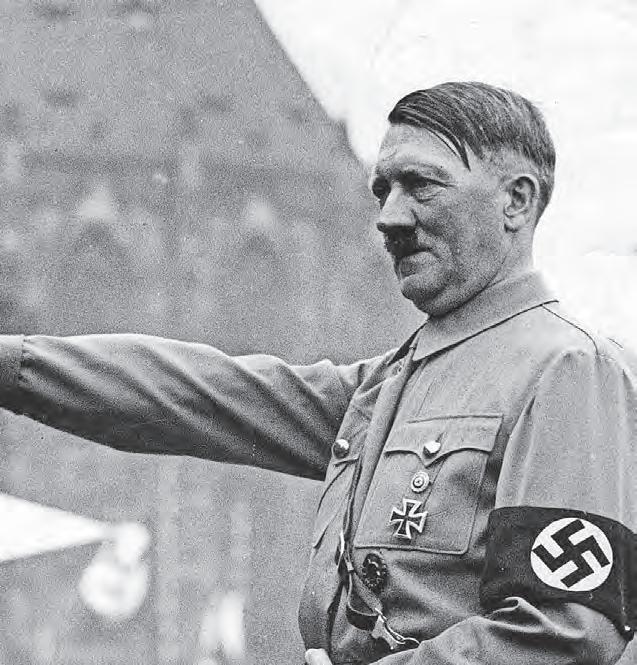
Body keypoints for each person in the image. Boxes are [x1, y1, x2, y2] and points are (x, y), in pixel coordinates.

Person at [0, 82, 634, 665]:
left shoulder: (567, 369)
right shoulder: (393, 386)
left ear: (516, 200)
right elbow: (198, 395)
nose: (388, 218)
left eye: (421, 186)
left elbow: (565, 631)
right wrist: (15, 364)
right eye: (382, 191)